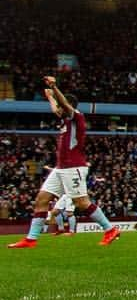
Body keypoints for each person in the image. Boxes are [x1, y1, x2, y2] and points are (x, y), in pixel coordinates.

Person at [8, 77, 120, 248]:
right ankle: (31, 239)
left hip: (74, 167)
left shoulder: (77, 117)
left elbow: (64, 106)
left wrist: (54, 87)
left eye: (61, 106)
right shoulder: (65, 119)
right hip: (61, 168)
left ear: (67, 105)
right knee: (42, 199)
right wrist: (50, 97)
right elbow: (56, 108)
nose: (58, 110)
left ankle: (110, 229)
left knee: (81, 202)